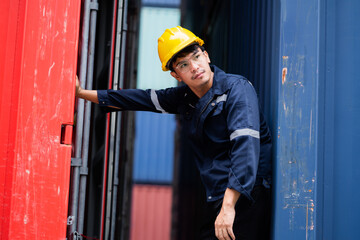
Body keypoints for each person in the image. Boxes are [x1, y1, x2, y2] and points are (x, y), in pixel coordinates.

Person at [76, 26, 272, 240]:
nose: (195, 67)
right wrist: (80, 93)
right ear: (176, 75)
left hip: (244, 197)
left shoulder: (236, 88)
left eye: (197, 57)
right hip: (218, 197)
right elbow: (138, 98)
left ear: (206, 56)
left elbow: (245, 148)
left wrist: (228, 207)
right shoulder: (186, 98)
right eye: (184, 65)